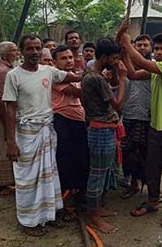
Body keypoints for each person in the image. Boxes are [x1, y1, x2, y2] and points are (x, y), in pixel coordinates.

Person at [3, 34, 81, 236]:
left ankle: (49, 215)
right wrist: (11, 142)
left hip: (46, 130)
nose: (35, 52)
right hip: (27, 134)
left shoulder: (49, 71)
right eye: (30, 48)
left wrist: (97, 71)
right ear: (22, 51)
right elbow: (10, 109)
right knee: (28, 179)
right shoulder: (14, 76)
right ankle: (28, 221)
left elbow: (74, 76)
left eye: (38, 48)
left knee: (48, 176)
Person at [118, 25, 162, 229]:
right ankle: (154, 200)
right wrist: (124, 53)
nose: (158, 52)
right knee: (151, 168)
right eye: (156, 49)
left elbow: (140, 62)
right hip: (156, 127)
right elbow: (133, 74)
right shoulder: (156, 70)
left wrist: (127, 43)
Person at [80, 38, 127, 234]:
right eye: (115, 58)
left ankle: (96, 209)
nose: (116, 62)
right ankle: (94, 217)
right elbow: (118, 104)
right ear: (105, 57)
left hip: (101, 127)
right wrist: (123, 78)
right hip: (101, 130)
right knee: (97, 175)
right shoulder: (97, 79)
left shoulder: (92, 75)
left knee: (103, 171)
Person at [51, 45, 89, 222]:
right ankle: (63, 202)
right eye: (63, 58)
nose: (68, 61)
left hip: (78, 121)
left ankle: (78, 195)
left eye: (70, 58)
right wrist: (93, 78)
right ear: (54, 62)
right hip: (62, 120)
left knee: (81, 158)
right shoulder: (56, 77)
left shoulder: (74, 75)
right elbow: (79, 92)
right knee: (64, 160)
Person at [120, 34, 152, 199]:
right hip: (128, 115)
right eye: (138, 45)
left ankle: (149, 188)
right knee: (128, 153)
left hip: (146, 117)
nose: (142, 48)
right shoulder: (124, 66)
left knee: (145, 154)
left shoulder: (153, 67)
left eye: (145, 45)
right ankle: (133, 184)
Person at [0, 41, 19, 196]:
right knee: (4, 146)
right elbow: (1, 100)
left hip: (7, 113)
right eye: (14, 51)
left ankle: (6, 183)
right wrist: (8, 123)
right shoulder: (2, 71)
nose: (17, 53)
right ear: (4, 54)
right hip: (3, 114)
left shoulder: (7, 68)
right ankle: (2, 185)